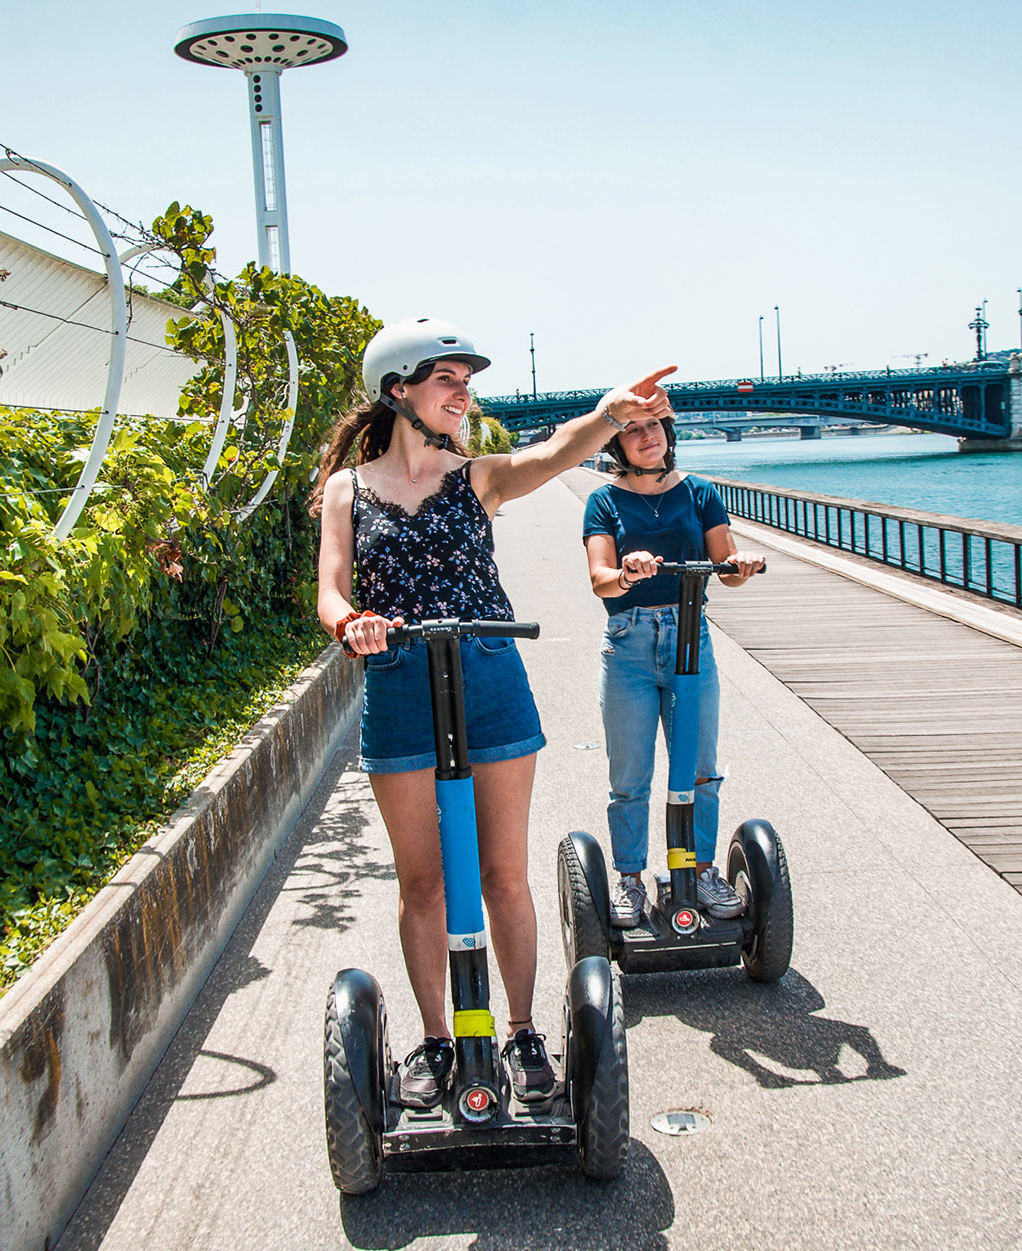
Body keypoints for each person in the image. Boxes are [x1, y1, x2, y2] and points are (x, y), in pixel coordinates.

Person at [312, 317, 674, 1111]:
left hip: (489, 671)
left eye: (466, 382)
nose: (463, 394)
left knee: (504, 873)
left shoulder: (478, 476)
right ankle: (437, 1038)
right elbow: (331, 590)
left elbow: (555, 454)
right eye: (447, 379)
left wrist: (610, 414)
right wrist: (352, 624)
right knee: (423, 883)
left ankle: (520, 1030)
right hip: (399, 680)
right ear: (398, 389)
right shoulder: (348, 490)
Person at [580, 414, 765, 930]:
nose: (647, 436)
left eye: (655, 426)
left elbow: (725, 568)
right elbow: (600, 579)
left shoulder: (700, 492)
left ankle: (699, 871)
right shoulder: (604, 501)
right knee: (630, 775)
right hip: (629, 643)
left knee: (700, 768)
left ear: (668, 433)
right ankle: (630, 878)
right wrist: (627, 573)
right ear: (617, 443)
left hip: (690, 635)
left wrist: (742, 565)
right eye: (633, 429)